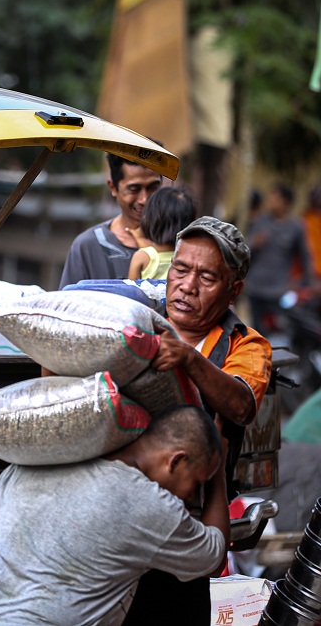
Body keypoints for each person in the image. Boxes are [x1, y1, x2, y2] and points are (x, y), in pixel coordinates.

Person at [122, 216, 273, 625]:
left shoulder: (246, 344)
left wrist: (189, 359)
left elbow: (241, 404)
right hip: (119, 517)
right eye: (181, 269)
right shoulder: (136, 317)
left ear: (233, 290)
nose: (187, 286)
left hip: (186, 528)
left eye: (207, 277)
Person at [0, 406, 229, 626]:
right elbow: (213, 559)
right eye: (195, 484)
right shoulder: (152, 506)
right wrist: (219, 474)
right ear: (176, 461)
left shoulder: (35, 461)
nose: (190, 498)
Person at [60, 153, 164, 288]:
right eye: (134, 189)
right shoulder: (88, 246)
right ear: (113, 188)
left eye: (153, 188)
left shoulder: (180, 242)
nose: (144, 199)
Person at [243, 183, 314, 336]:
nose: (271, 201)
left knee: (276, 331)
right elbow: (244, 249)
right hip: (255, 287)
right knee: (255, 330)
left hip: (278, 290)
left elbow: (305, 257)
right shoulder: (260, 221)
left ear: (285, 202)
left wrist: (309, 283)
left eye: (275, 198)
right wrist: (254, 243)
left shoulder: (296, 227)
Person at [127, 185, 198, 280]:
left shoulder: (141, 257)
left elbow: (130, 293)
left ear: (151, 219)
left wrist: (139, 238)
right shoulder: (190, 257)